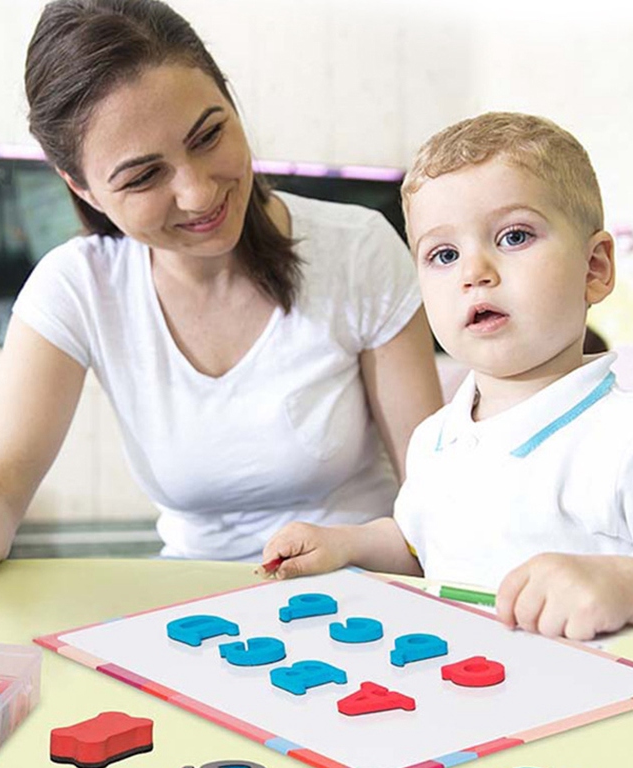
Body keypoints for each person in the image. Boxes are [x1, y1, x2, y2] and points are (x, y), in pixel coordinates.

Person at [0, 0, 442, 626]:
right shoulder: (79, 287)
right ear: (82, 186)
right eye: (143, 176)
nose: (200, 192)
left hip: (363, 609)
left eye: (209, 134)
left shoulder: (359, 249)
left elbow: (439, 487)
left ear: (231, 101)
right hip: (197, 618)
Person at [262, 112, 633, 641]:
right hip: (463, 702)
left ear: (594, 268)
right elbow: (422, 544)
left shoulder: (618, 437)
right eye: (444, 254)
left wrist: (622, 583)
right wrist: (348, 543)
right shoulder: (435, 438)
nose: (473, 271)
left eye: (514, 236)